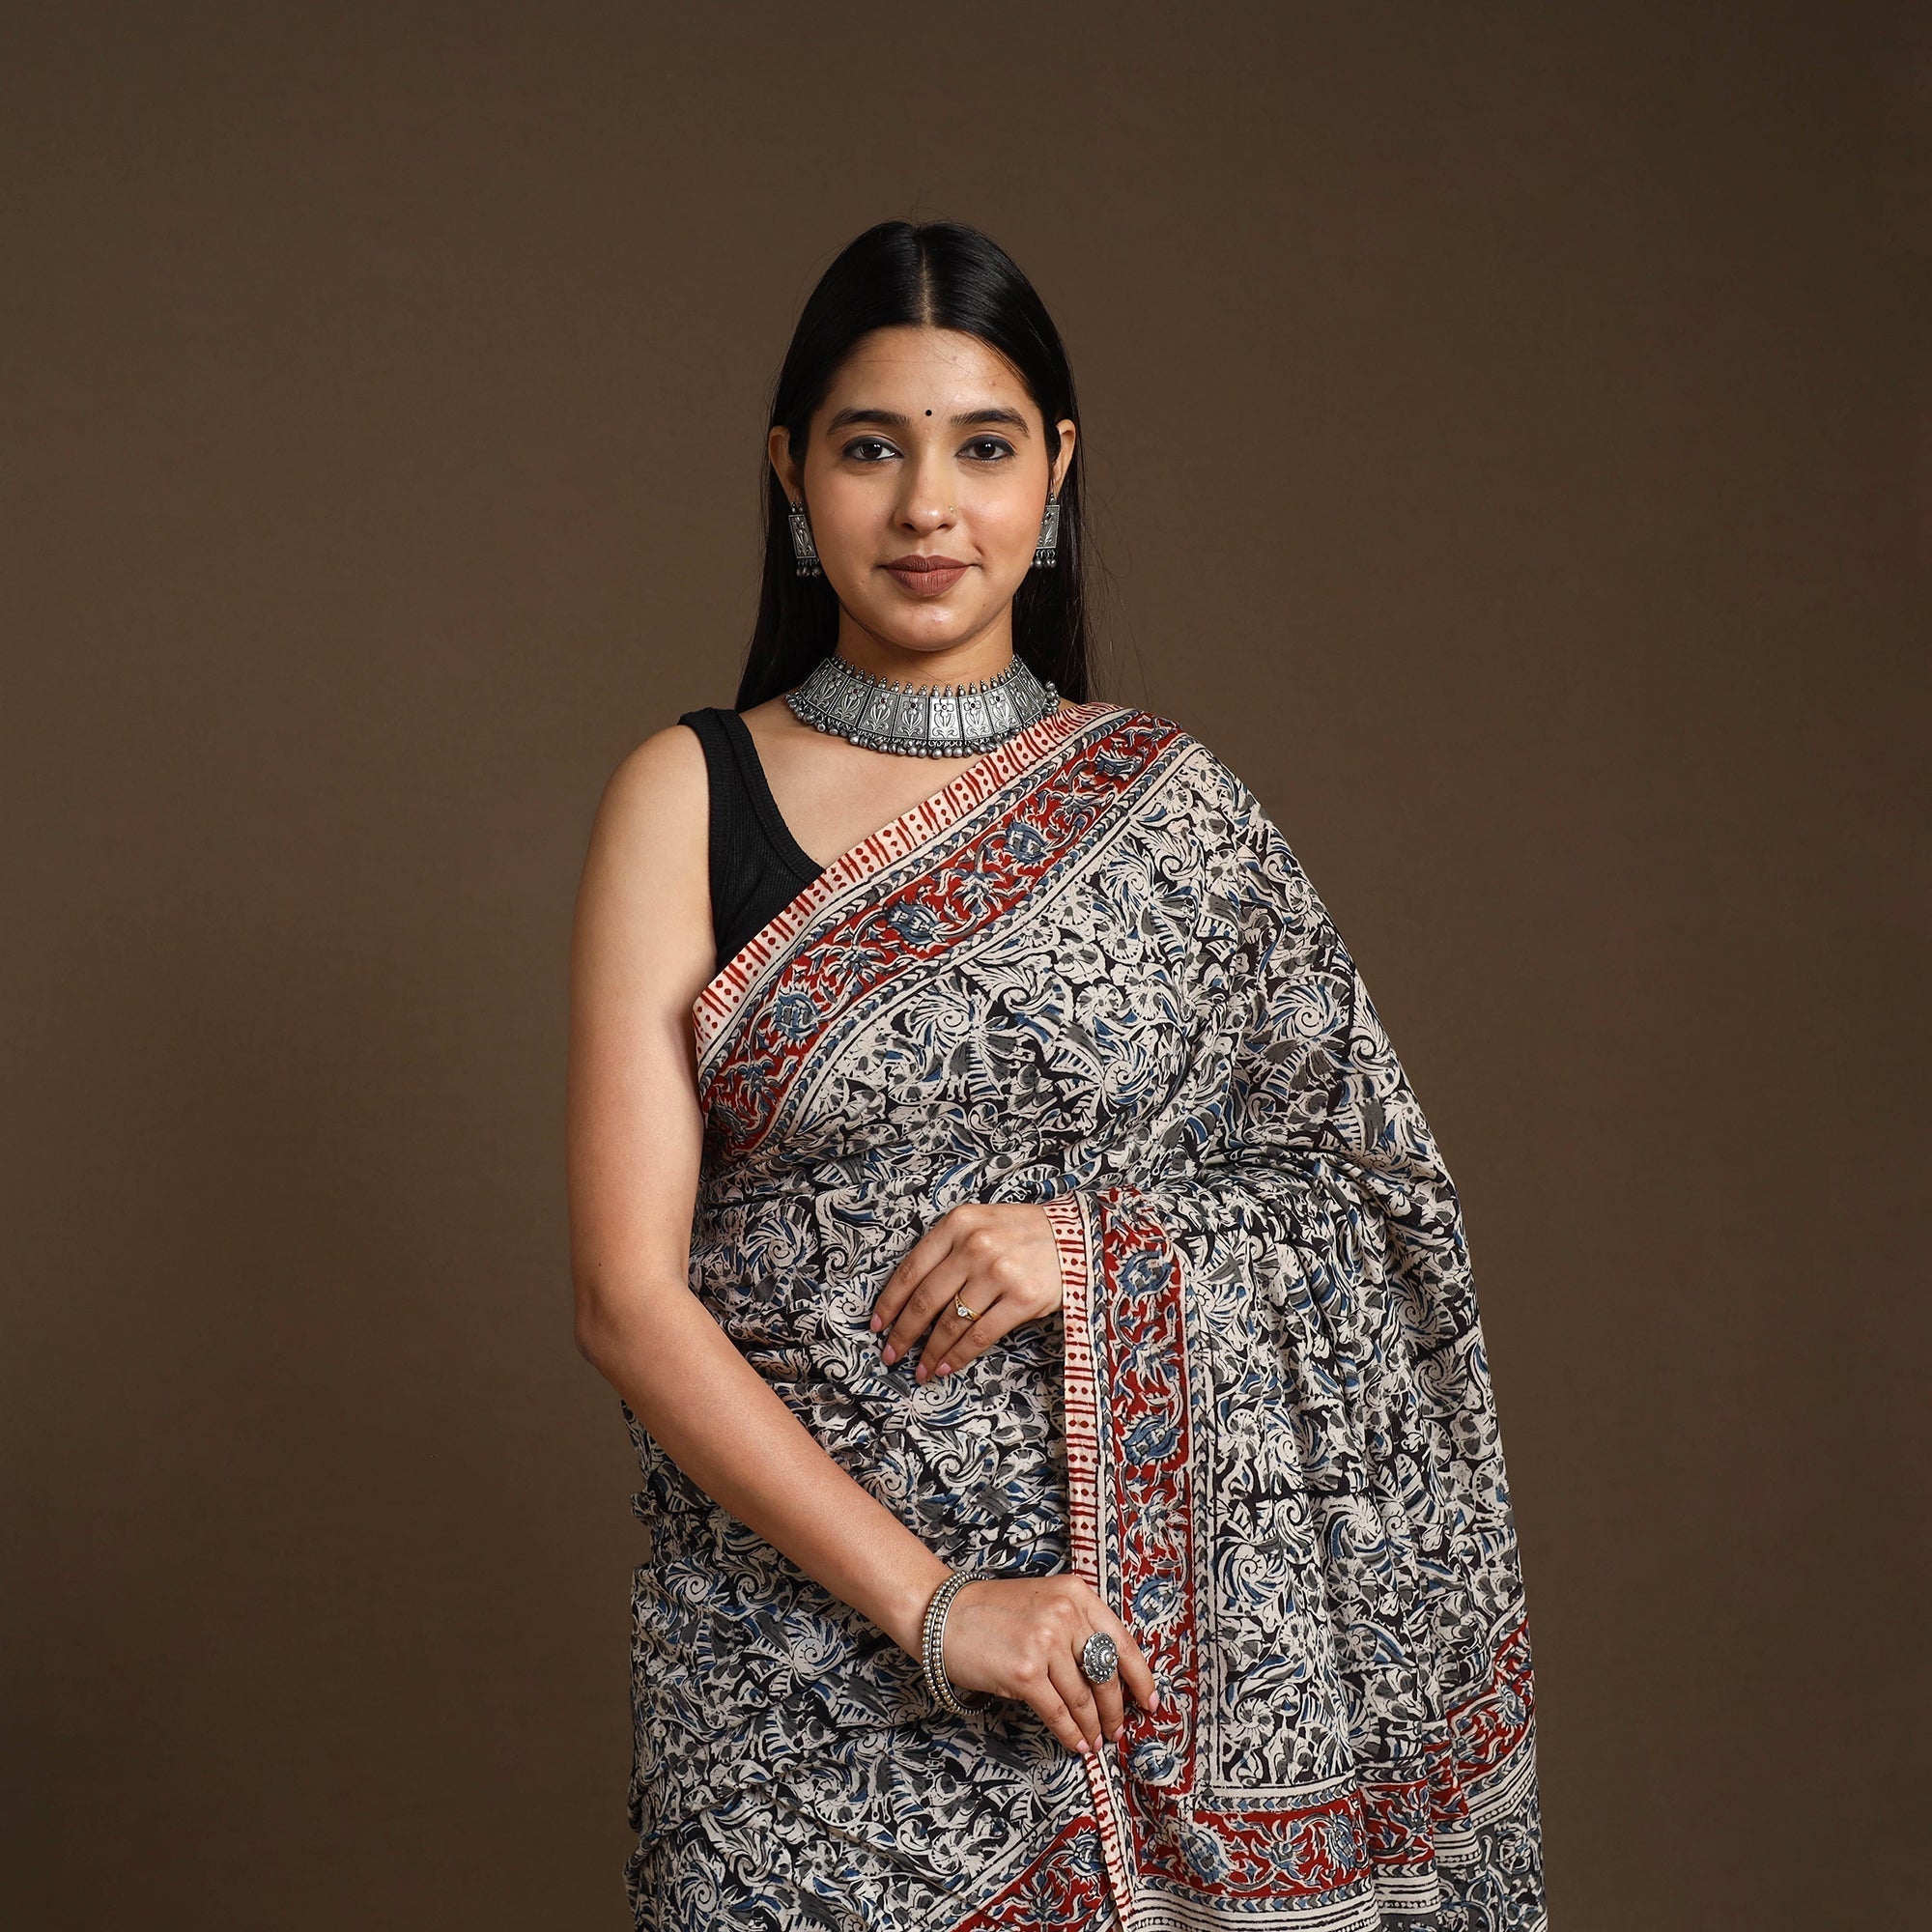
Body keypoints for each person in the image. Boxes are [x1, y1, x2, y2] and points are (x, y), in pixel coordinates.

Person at [567, 218, 1547, 1931]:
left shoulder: (1177, 814)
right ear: (791, 473)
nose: (927, 509)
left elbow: (1376, 1207)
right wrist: (941, 1607)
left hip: (1122, 1689)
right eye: (871, 449)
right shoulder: (688, 795)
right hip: (777, 1693)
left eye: (983, 447)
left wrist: (1086, 1250)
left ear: (1057, 470)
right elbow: (626, 1300)